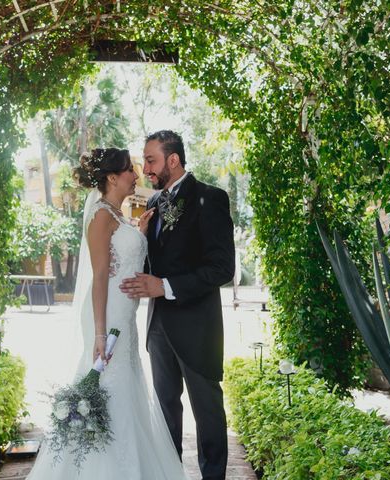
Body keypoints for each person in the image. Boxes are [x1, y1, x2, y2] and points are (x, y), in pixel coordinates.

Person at [27, 147, 189, 480]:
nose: (136, 174)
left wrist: (140, 234)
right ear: (113, 178)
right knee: (109, 384)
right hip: (109, 316)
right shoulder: (101, 215)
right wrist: (100, 333)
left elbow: (123, 257)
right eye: (130, 170)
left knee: (124, 389)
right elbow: (100, 276)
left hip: (123, 318)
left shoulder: (117, 214)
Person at [120, 131, 235, 480]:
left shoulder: (210, 198)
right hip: (158, 329)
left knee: (208, 414)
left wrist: (165, 286)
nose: (145, 168)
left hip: (197, 330)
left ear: (173, 160)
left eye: (151, 160)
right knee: (165, 414)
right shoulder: (153, 202)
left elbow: (222, 268)